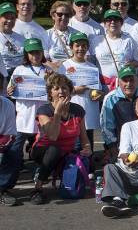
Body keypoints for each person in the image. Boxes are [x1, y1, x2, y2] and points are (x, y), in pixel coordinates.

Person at [32, 73, 91, 204]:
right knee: (54, 150)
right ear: (50, 93)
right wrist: (57, 112)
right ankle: (38, 188)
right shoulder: (44, 110)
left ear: (70, 91)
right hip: (43, 151)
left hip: (66, 153)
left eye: (64, 88)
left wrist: (87, 149)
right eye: (56, 88)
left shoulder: (78, 110)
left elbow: (84, 137)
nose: (61, 91)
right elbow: (53, 136)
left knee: (84, 162)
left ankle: (56, 173)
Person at [8, 38, 51, 173]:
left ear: (42, 53)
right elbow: (11, 90)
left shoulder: (48, 70)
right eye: (31, 53)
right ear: (26, 54)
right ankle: (7, 181)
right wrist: (11, 91)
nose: (35, 56)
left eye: (38, 52)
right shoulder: (20, 70)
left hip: (43, 118)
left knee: (42, 149)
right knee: (15, 149)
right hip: (24, 117)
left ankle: (40, 176)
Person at [59, 33, 101, 150]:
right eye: (77, 46)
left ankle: (87, 167)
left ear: (87, 48)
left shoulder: (93, 67)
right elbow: (58, 91)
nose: (80, 49)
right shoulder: (64, 66)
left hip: (89, 112)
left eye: (83, 46)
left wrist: (99, 95)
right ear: (71, 47)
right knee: (74, 146)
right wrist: (73, 90)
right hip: (71, 112)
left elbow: (99, 90)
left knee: (88, 146)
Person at [91, 9, 138, 91]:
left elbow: (137, 62)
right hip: (102, 86)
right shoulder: (97, 41)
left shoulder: (128, 40)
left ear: (121, 23)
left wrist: (128, 65)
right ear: (104, 24)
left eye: (116, 19)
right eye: (109, 20)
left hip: (123, 85)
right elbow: (91, 62)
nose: (112, 22)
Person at [46, 1, 79, 70]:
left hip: (75, 72)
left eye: (66, 15)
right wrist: (54, 66)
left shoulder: (77, 34)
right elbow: (42, 59)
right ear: (53, 16)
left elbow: (84, 56)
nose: (63, 17)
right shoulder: (46, 35)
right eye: (60, 14)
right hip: (56, 73)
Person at [0, 93, 17, 206]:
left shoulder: (8, 105)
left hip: (1, 139)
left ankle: (2, 189)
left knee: (13, 153)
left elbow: (10, 135)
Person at [0, 2, 25, 78]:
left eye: (12, 18)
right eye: (6, 17)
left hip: (20, 78)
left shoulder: (22, 39)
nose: (9, 21)